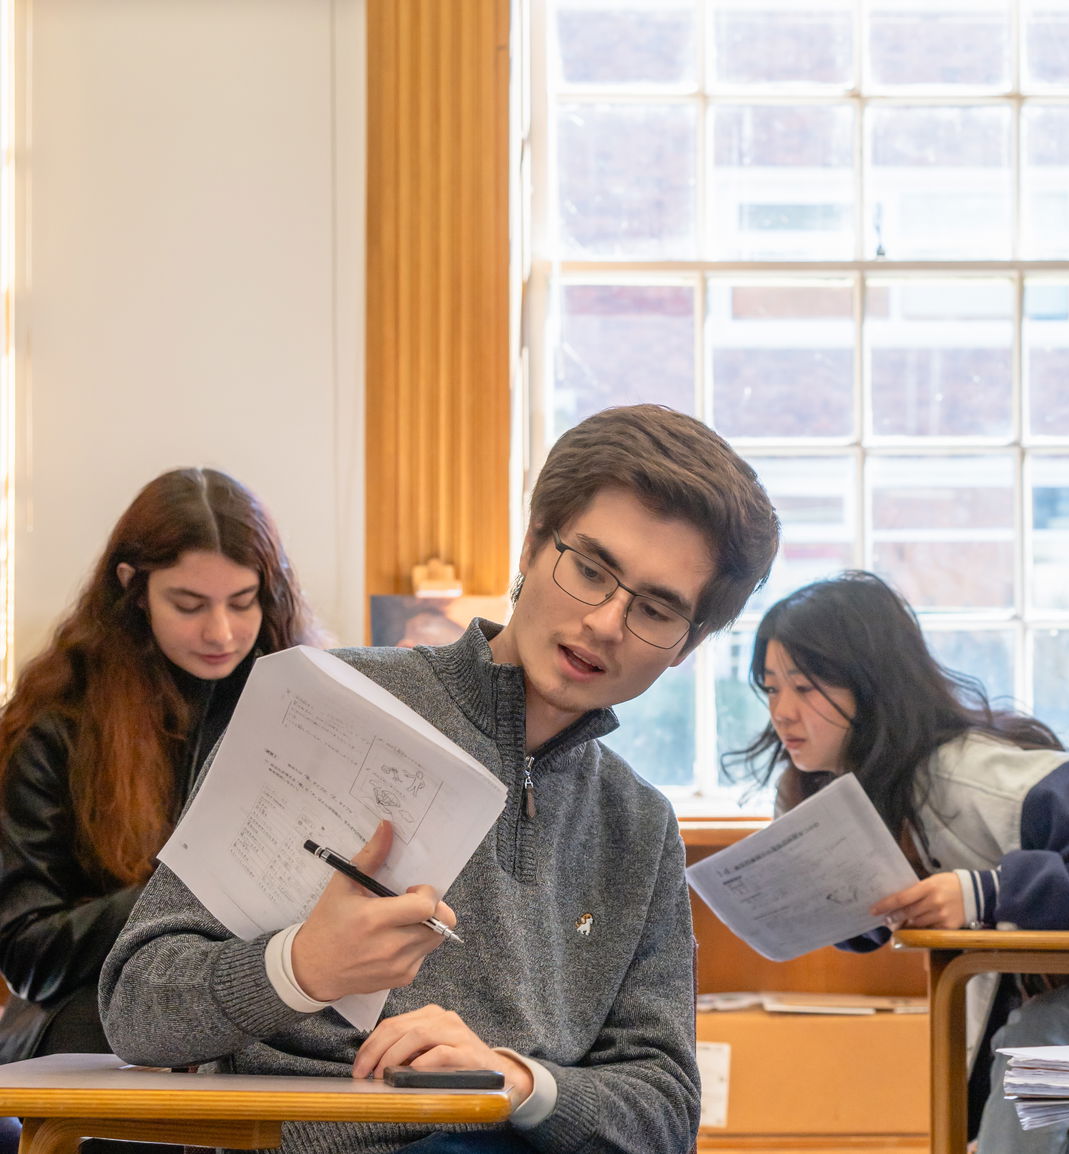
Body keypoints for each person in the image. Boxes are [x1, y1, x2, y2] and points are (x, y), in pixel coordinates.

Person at [101, 406, 781, 1154]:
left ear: (687, 646)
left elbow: (666, 1110)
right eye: (590, 570)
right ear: (529, 546)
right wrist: (300, 966)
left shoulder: (639, 825)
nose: (606, 624)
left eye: (655, 609)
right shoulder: (328, 705)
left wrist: (516, 1082)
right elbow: (136, 1004)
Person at [732, 571, 1069, 1154]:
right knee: (1009, 1067)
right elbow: (869, 929)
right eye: (770, 689)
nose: (782, 713)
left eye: (804, 687)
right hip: (1048, 984)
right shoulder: (830, 790)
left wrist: (983, 894)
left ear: (871, 687)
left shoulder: (978, 776)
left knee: (1037, 1050)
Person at [0, 467, 318, 1064]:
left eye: (242, 602)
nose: (222, 632)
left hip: (255, 989)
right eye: (189, 604)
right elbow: (28, 954)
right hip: (84, 1014)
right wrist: (183, 893)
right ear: (132, 586)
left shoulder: (302, 705)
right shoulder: (58, 724)